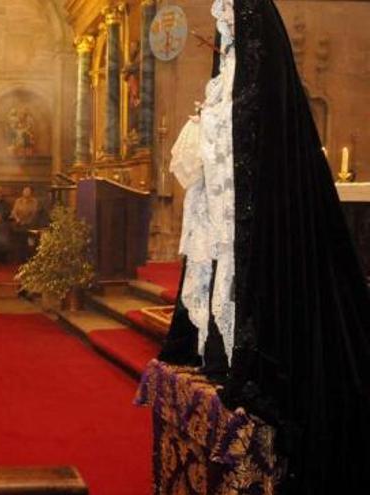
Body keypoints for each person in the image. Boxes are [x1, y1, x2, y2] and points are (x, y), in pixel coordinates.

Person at [158, 0, 370, 491]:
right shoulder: (226, 66)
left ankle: (245, 358)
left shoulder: (259, 63)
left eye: (230, 15)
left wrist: (210, 123)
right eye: (221, 16)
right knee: (216, 270)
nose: (223, 22)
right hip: (224, 199)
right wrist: (205, 120)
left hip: (250, 198)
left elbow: (250, 121)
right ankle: (218, 352)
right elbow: (224, 118)